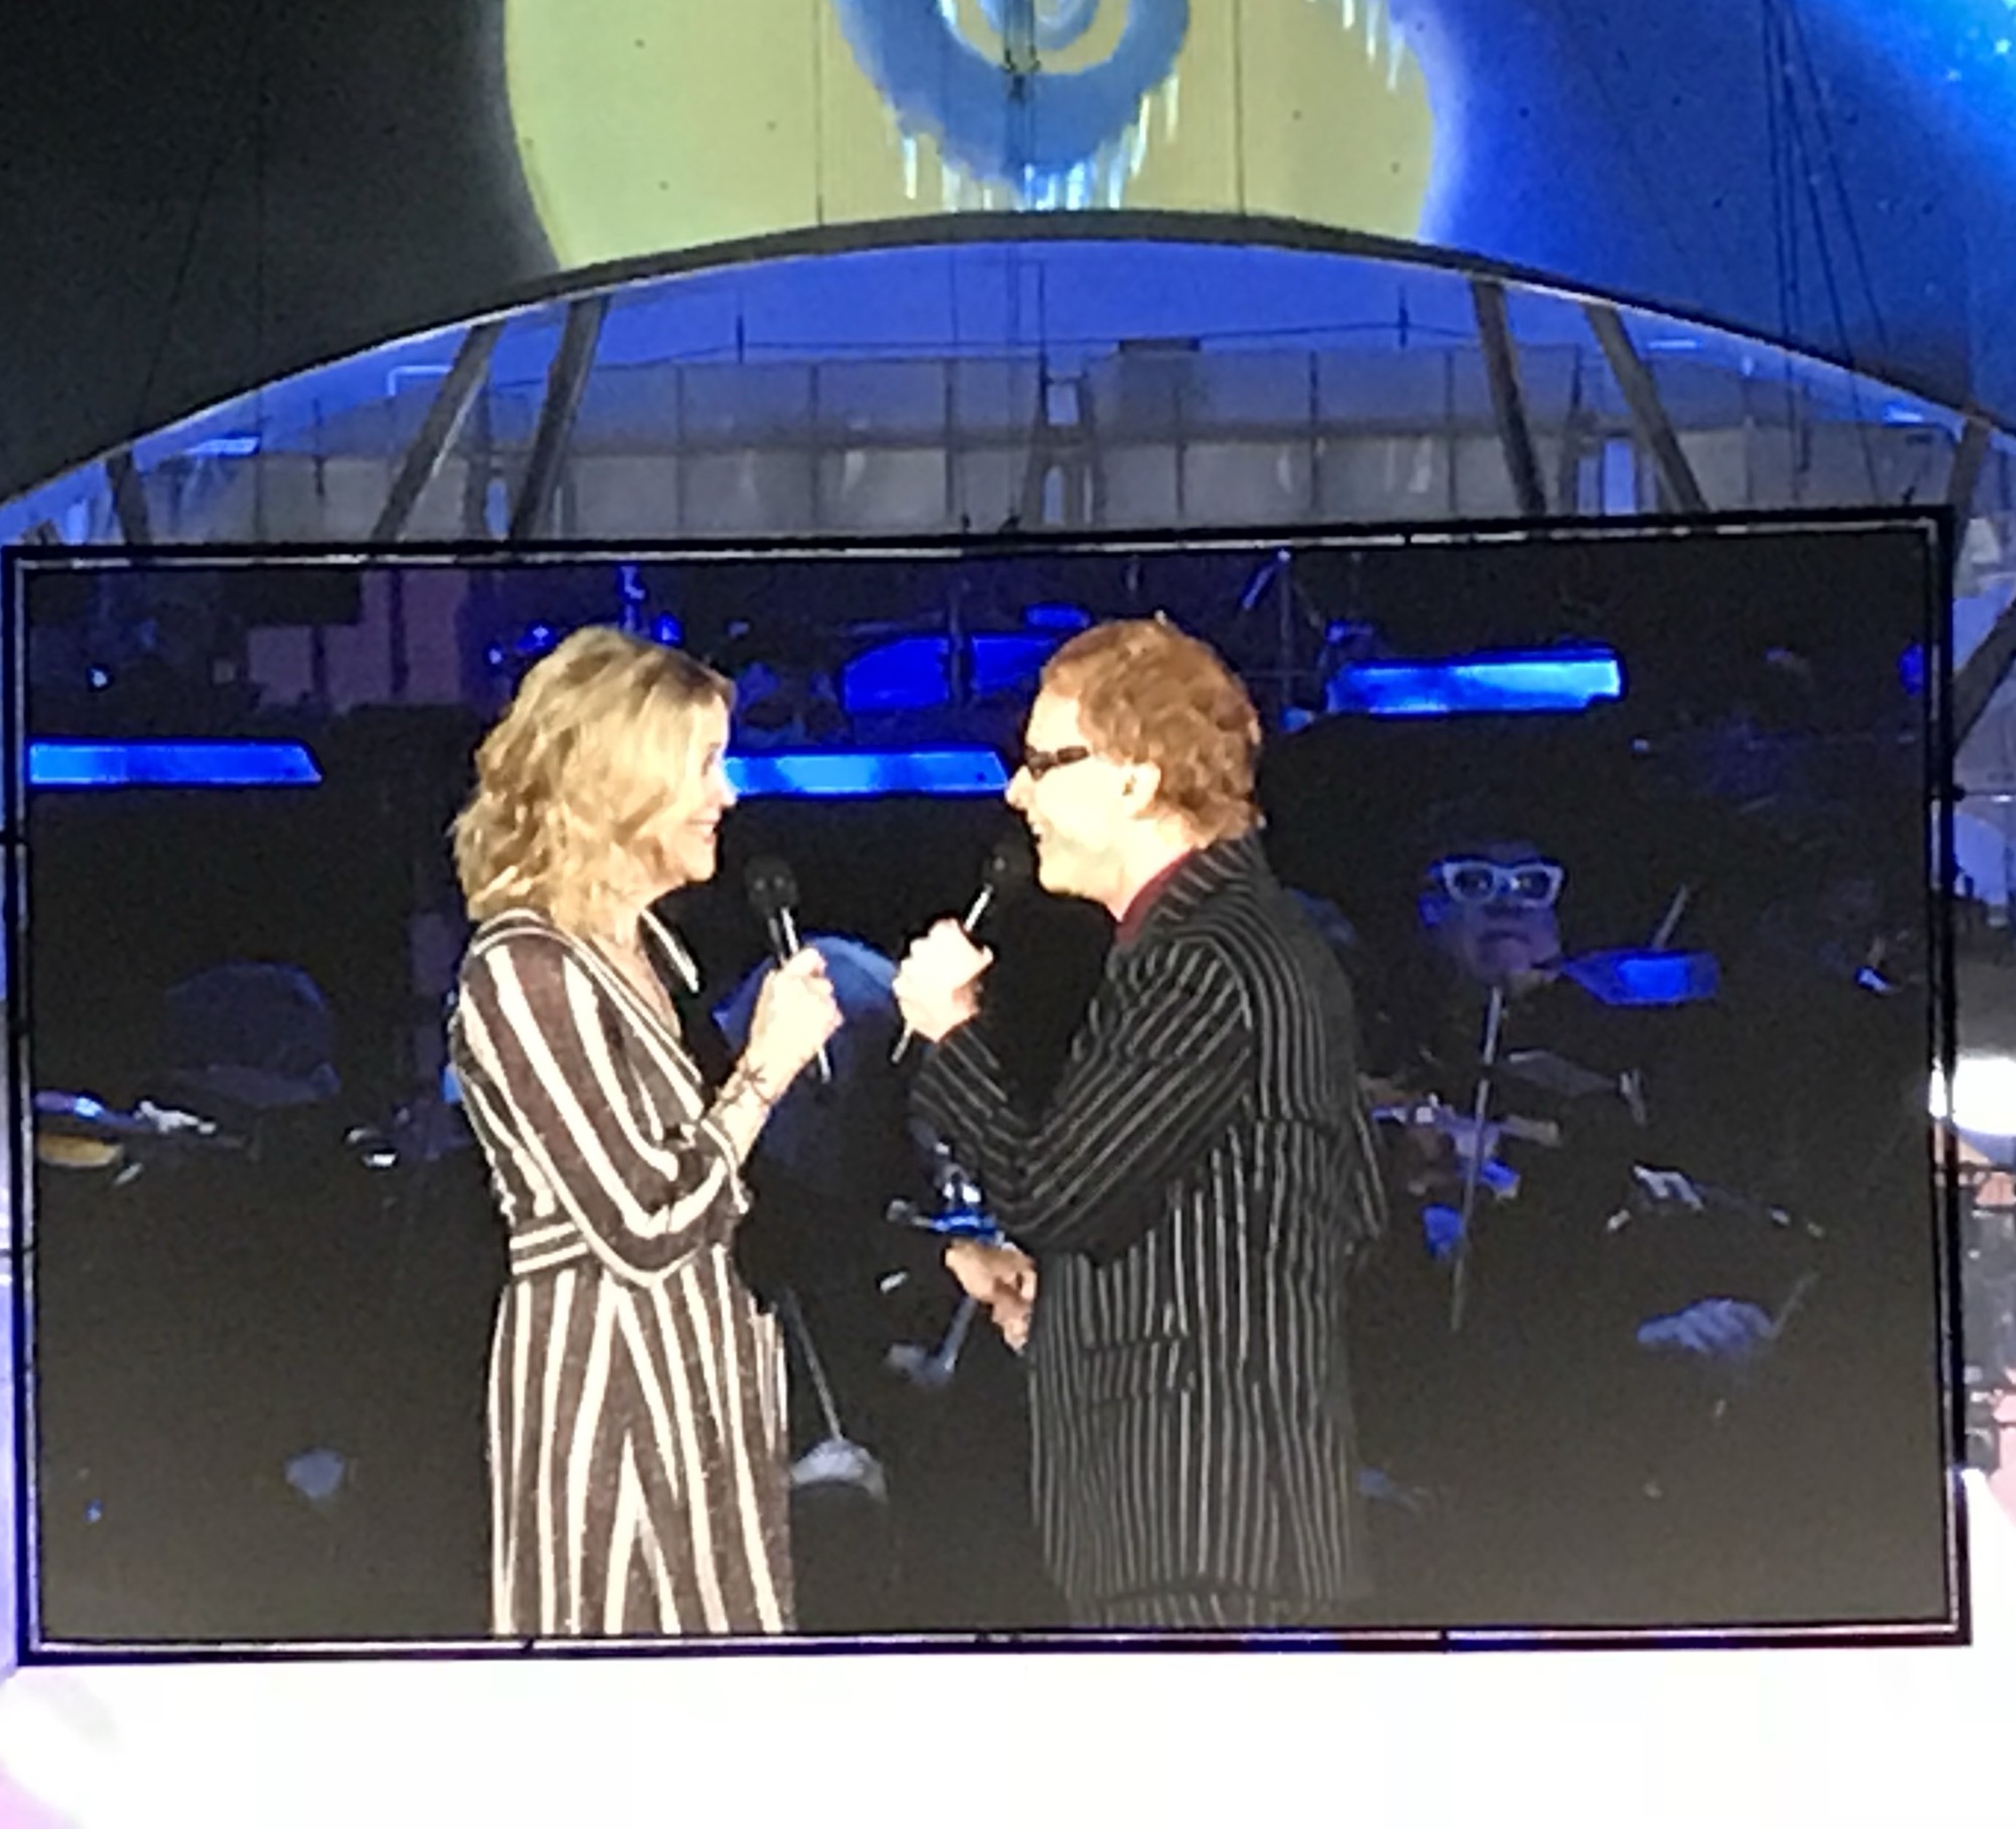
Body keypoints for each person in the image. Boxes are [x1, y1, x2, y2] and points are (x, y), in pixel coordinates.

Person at [890, 616, 1384, 1630]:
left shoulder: (1197, 958)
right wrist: (1083, 1309)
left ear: (1133, 780)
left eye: (1041, 763)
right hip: (1232, 1513)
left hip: (1200, 1524)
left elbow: (1052, 1195)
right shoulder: (1245, 935)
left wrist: (952, 1031)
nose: (1015, 792)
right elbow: (1341, 1214)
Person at [447, 625, 840, 1636]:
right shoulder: (524, 970)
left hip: (707, 1383)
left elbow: (733, 1193)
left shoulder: (656, 954)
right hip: (612, 1393)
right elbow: (644, 1219)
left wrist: (930, 1257)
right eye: (702, 765)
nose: (727, 795)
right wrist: (765, 1068)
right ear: (618, 783)